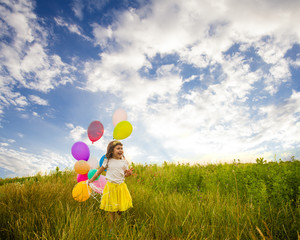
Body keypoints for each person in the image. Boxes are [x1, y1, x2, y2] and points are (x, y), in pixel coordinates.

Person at [88, 140, 133, 225]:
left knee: (120, 209)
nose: (120, 150)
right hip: (110, 187)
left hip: (120, 187)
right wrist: (91, 180)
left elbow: (124, 174)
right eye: (118, 148)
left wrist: (128, 174)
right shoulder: (108, 161)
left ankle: (118, 224)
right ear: (112, 150)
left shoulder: (124, 162)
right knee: (111, 209)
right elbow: (99, 172)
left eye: (121, 148)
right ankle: (111, 227)